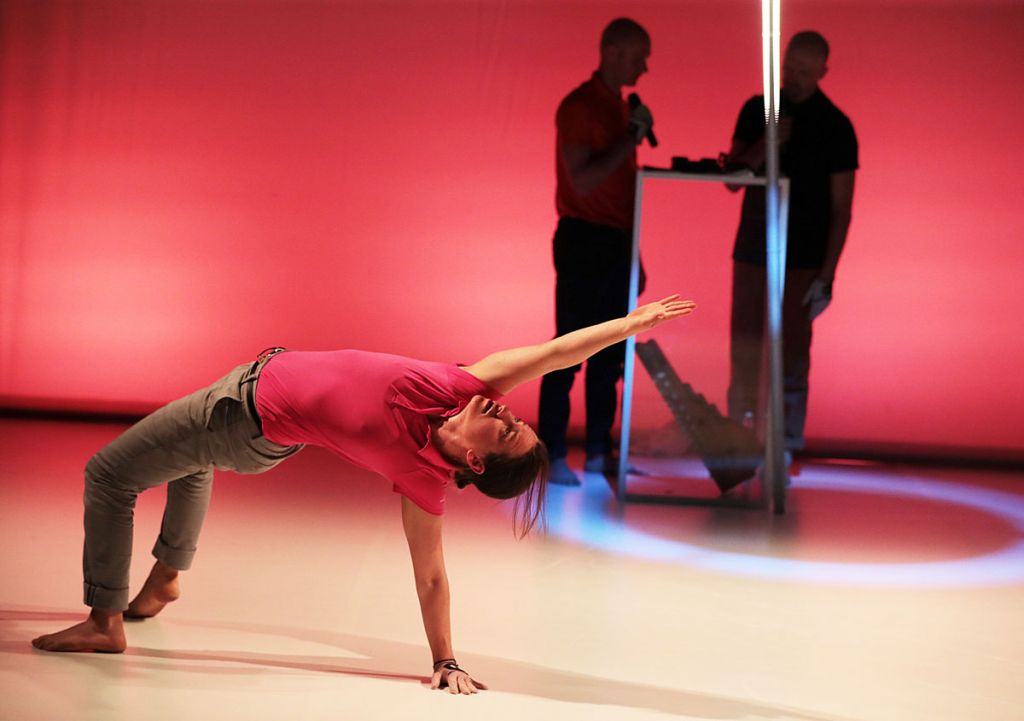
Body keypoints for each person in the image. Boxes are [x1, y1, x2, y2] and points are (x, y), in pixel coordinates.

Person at [31, 294, 696, 694]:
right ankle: (166, 578)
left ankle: (104, 619)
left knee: (109, 474)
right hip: (252, 416)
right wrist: (631, 323)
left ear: (474, 458)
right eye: (514, 418)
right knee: (188, 460)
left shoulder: (423, 478)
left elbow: (431, 574)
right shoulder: (461, 386)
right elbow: (555, 354)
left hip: (242, 415)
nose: (504, 410)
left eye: (506, 429)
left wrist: (446, 659)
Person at [724, 30, 858, 458]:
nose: (793, 78)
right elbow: (731, 179)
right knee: (746, 345)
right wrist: (767, 144)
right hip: (753, 250)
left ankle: (784, 444)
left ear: (822, 70)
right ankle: (738, 440)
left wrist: (826, 276)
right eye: (789, 68)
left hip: (802, 258)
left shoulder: (836, 127)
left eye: (803, 70)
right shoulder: (757, 109)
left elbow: (842, 208)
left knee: (793, 351)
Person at [538, 17, 655, 486]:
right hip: (583, 238)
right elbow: (584, 180)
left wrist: (634, 253)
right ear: (613, 52)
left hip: (615, 241)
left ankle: (600, 454)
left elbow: (621, 189)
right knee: (568, 349)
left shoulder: (619, 108)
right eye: (639, 57)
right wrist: (629, 139)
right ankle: (551, 454)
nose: (644, 68)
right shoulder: (580, 107)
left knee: (610, 354)